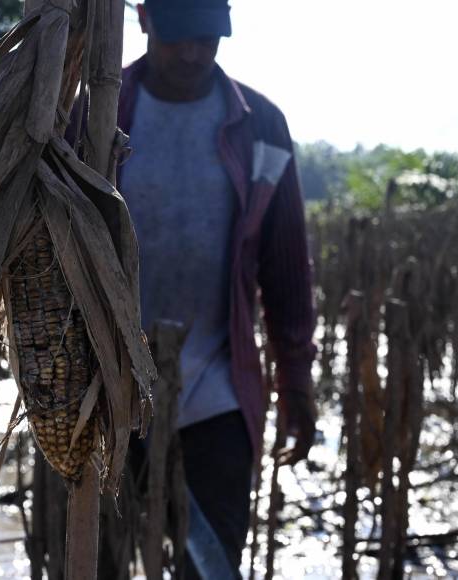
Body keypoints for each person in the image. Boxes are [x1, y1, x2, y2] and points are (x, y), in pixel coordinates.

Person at [117, 1, 318, 577]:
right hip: (108, 392)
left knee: (211, 565)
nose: (192, 53)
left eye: (208, 39)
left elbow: (286, 269)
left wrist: (296, 385)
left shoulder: (260, 123)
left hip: (218, 391)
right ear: (145, 22)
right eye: (178, 37)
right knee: (98, 557)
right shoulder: (99, 112)